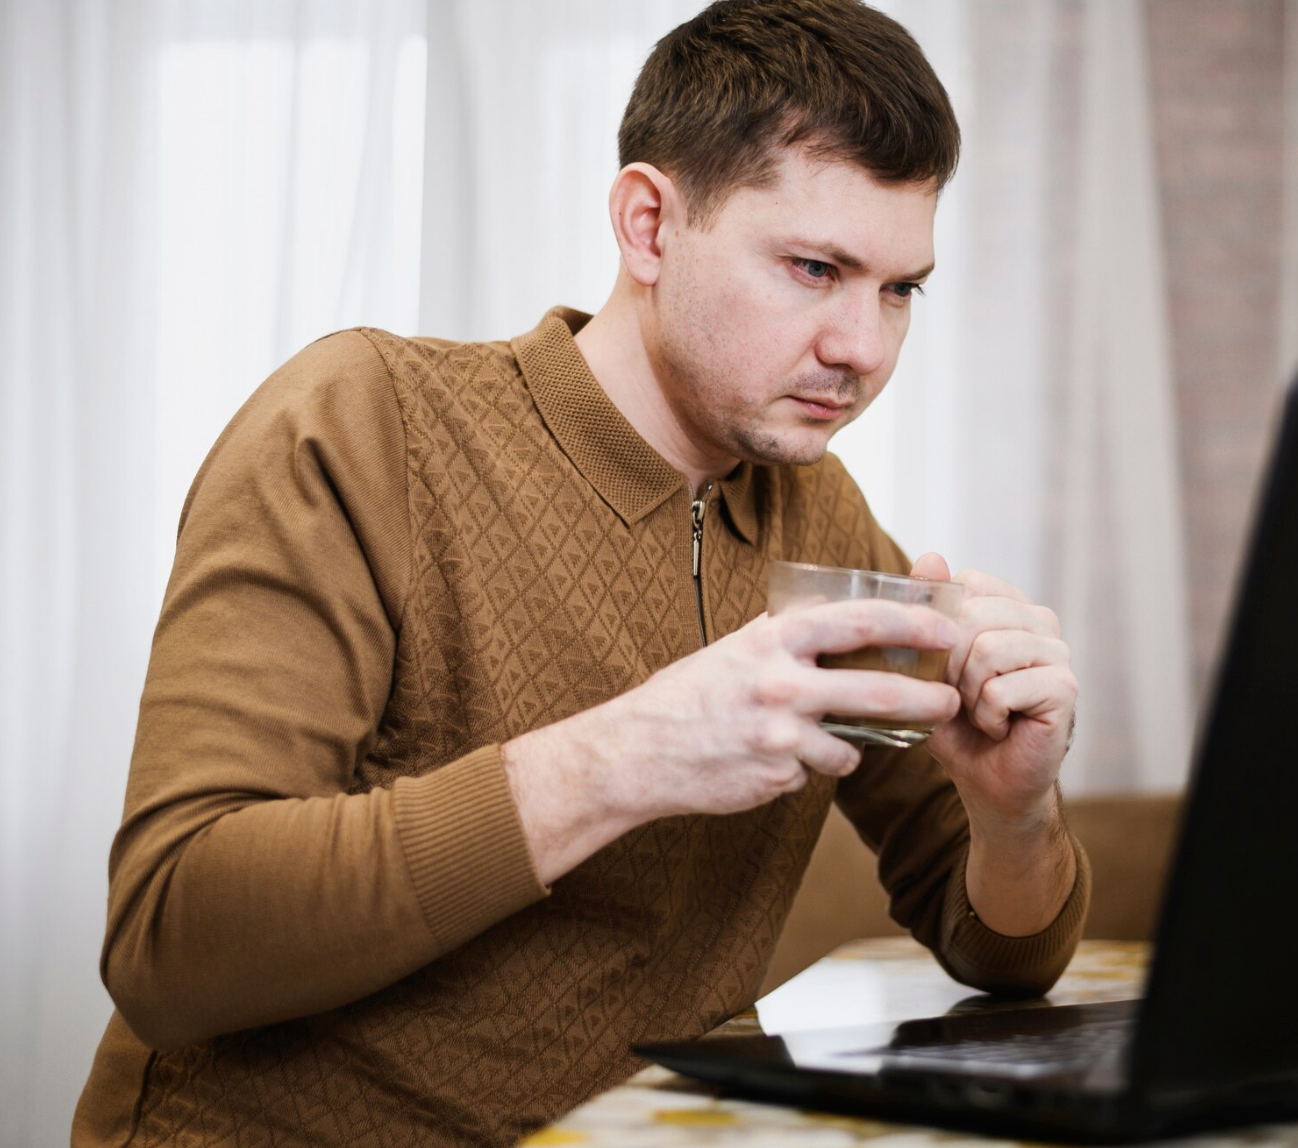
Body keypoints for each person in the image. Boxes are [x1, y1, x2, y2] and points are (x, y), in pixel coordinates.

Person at [73, 2, 1089, 1144]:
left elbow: (1006, 955)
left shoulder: (817, 511)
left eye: (900, 289)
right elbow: (170, 939)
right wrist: (624, 757)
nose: (863, 347)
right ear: (648, 226)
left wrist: (1013, 814)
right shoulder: (367, 423)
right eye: (815, 267)